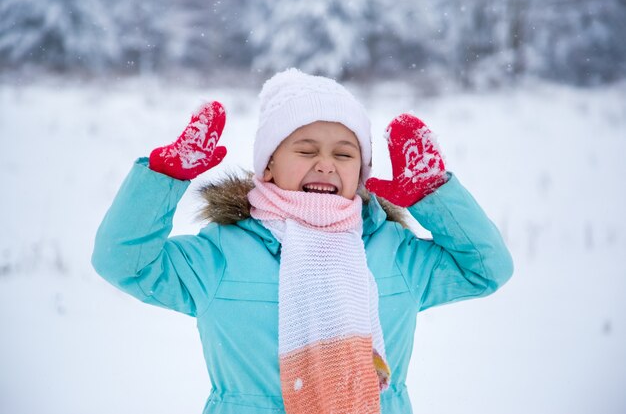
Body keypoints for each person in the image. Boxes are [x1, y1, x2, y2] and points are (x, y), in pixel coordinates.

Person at [92, 68, 513, 414]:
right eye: (306, 150)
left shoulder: (394, 252)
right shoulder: (222, 254)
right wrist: (165, 177)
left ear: (361, 172)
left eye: (344, 154)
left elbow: (487, 270)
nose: (326, 165)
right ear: (269, 166)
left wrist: (432, 196)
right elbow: (122, 260)